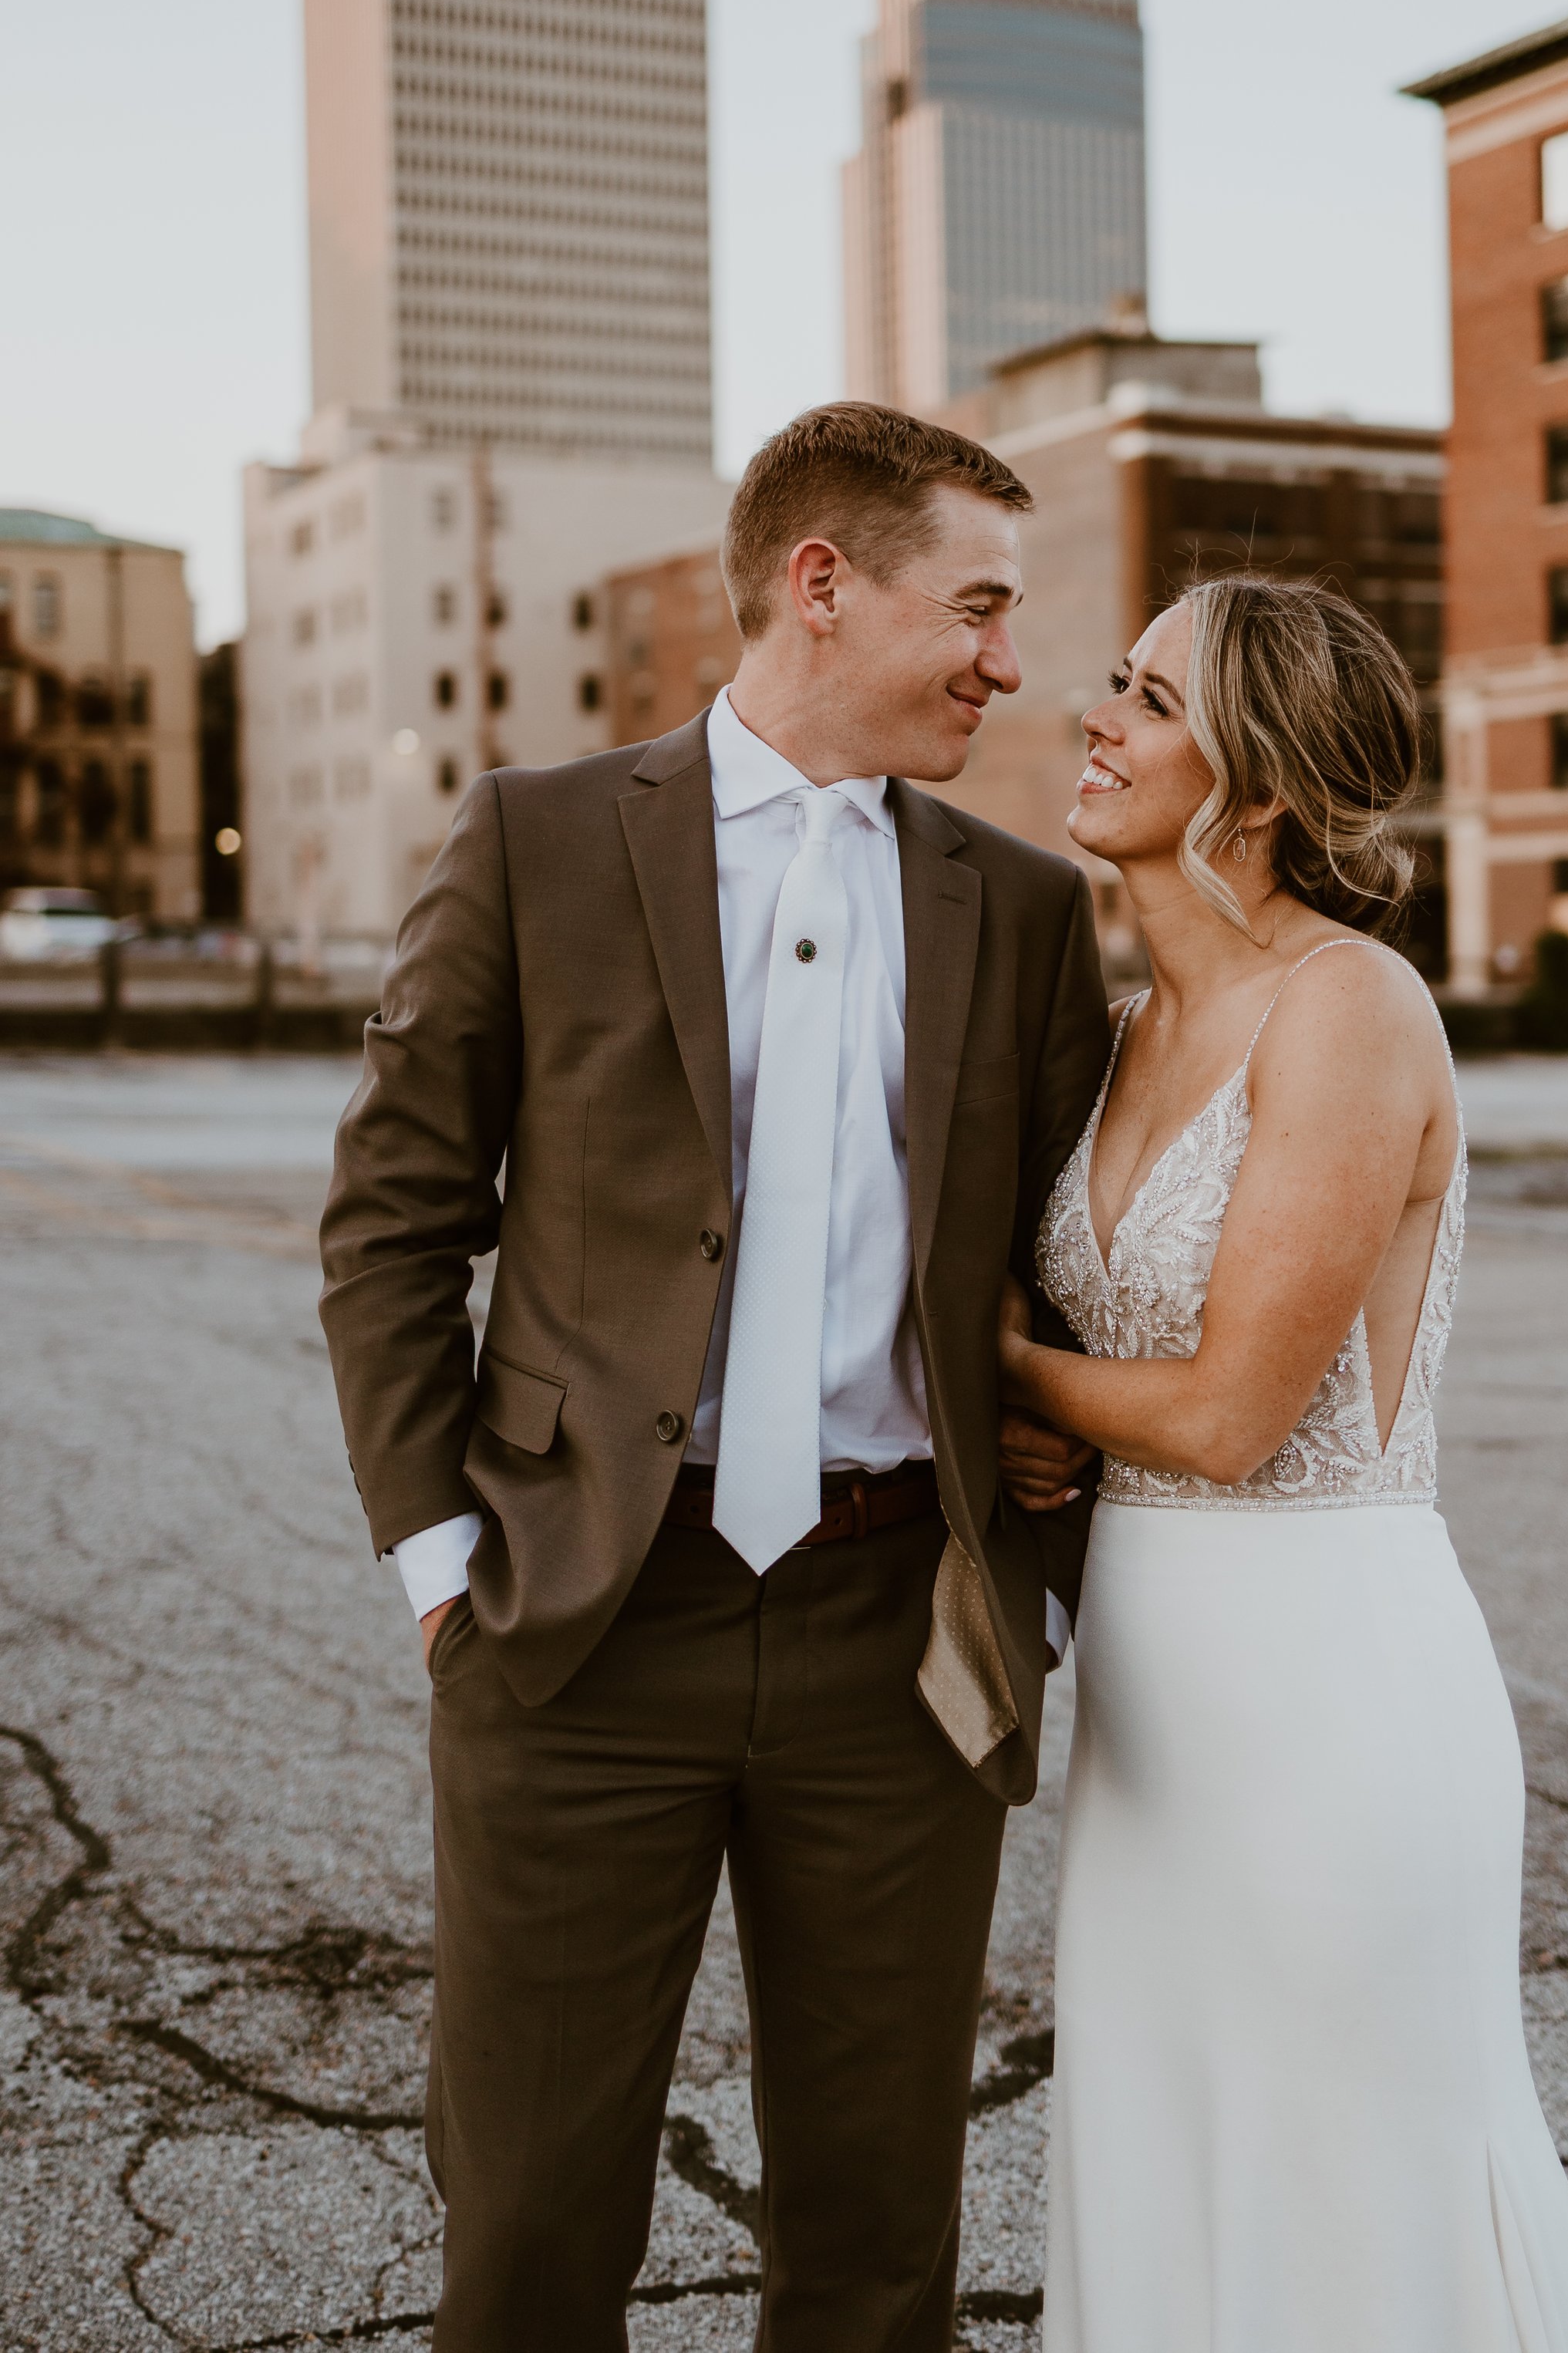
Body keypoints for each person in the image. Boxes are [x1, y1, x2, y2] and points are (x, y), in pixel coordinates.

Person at [319, 403, 1111, 2353]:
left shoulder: (1017, 909)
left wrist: (1040, 1566)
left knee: (873, 2238)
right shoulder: (533, 836)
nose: (1009, 663)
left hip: (895, 1637)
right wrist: (443, 1568)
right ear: (820, 587)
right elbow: (393, 1223)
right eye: (979, 606)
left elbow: (1068, 1278)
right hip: (580, 1627)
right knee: (526, 2223)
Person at [998, 575, 1568, 2351]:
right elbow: (1119, 1383)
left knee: (1351, 2200)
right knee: (1166, 2163)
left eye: (1147, 700)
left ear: (1259, 786)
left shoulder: (1347, 1007)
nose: (1096, 719)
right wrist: (1044, 1427)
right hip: (1148, 1724)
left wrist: (988, 1368)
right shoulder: (1123, 1031)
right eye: (1110, 683)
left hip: (1333, 1702)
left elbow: (1223, 1415)